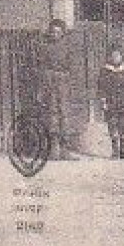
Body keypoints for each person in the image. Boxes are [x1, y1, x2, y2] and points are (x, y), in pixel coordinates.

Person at [38, 19, 80, 160]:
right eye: (53, 31)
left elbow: (73, 68)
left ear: (63, 33)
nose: (55, 34)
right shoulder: (45, 48)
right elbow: (42, 67)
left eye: (58, 32)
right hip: (50, 82)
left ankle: (65, 149)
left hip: (64, 83)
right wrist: (43, 87)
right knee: (52, 114)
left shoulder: (68, 48)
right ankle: (54, 148)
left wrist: (70, 84)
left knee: (65, 114)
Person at [97, 44, 124, 160]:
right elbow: (101, 86)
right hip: (111, 102)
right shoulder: (105, 70)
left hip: (123, 101)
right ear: (109, 57)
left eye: (117, 55)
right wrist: (103, 100)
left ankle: (123, 150)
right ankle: (115, 151)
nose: (115, 58)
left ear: (121, 56)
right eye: (113, 55)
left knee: (123, 124)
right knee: (112, 125)